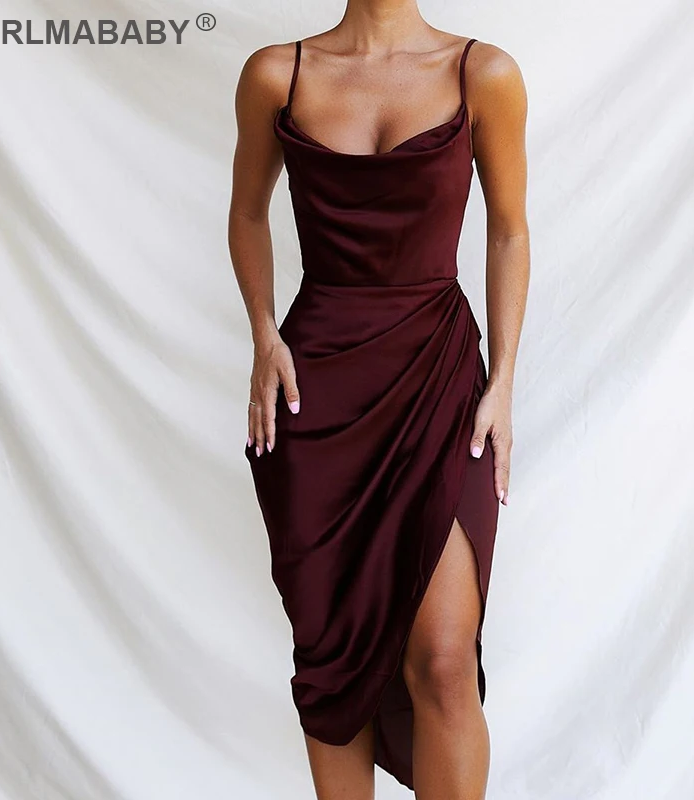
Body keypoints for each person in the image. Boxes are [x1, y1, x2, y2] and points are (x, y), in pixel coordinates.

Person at [228, 4, 529, 797]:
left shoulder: (482, 73)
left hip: (440, 380)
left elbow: (509, 229)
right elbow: (248, 212)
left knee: (444, 659)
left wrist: (503, 381)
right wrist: (263, 335)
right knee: (334, 661)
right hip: (316, 391)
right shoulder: (277, 74)